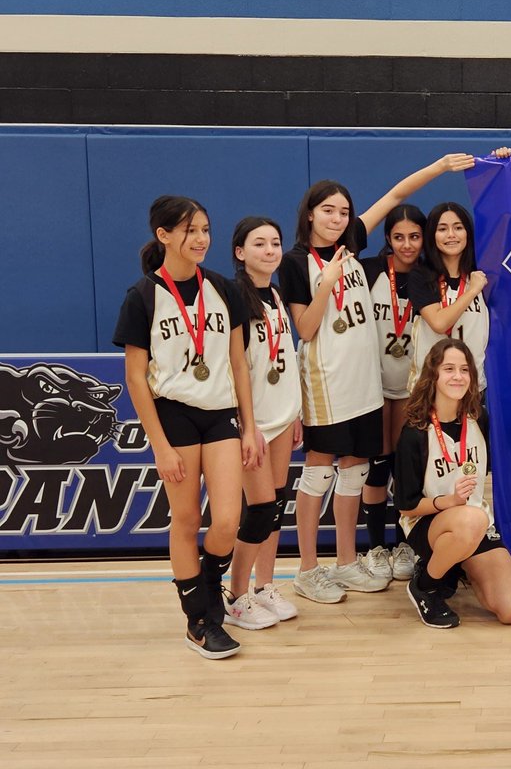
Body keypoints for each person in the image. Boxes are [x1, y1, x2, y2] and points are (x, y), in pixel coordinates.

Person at [279, 154, 474, 604]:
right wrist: (326, 282)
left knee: (355, 472)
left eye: (344, 212)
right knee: (317, 474)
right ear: (310, 213)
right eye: (328, 210)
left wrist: (440, 167)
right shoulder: (294, 263)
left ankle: (347, 561)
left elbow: (396, 196)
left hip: (365, 384)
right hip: (326, 384)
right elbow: (305, 329)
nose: (337, 219)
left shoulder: (350, 245)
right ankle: (308, 569)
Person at [113, 196, 261, 658]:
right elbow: (136, 377)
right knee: (186, 519)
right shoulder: (143, 296)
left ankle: (206, 584)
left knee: (228, 520)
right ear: (164, 236)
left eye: (204, 230)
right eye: (189, 231)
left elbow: (239, 361)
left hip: (219, 413)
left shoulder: (222, 288)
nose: (200, 239)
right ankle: (200, 621)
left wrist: (250, 427)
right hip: (173, 413)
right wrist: (159, 445)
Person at [394, 338, 511, 629]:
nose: (458, 376)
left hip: (474, 525)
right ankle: (425, 586)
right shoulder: (415, 431)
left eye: (464, 370)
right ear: (434, 375)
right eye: (449, 368)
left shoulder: (479, 419)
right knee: (470, 519)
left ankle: (455, 566)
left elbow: (484, 475)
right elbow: (406, 505)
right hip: (428, 523)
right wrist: (448, 503)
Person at [224, 217, 303, 630]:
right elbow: (236, 368)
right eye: (259, 244)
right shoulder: (234, 297)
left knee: (274, 510)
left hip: (282, 415)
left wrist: (296, 412)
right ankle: (235, 597)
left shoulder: (274, 292)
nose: (271, 250)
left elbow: (283, 360)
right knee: (256, 512)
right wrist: (246, 426)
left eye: (275, 242)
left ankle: (263, 586)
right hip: (253, 422)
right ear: (240, 252)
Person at [358, 204, 426, 585]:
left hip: (412, 383)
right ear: (388, 239)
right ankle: (374, 548)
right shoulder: (368, 272)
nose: (406, 245)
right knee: (377, 466)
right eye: (398, 237)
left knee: (405, 468)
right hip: (373, 381)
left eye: (414, 237)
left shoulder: (429, 276)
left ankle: (403, 544)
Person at [409, 202, 490, 393]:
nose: (451, 235)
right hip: (431, 387)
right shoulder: (421, 275)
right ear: (432, 235)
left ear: (468, 233)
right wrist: (471, 291)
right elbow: (439, 323)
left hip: (472, 386)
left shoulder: (480, 274)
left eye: (458, 228)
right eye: (442, 229)